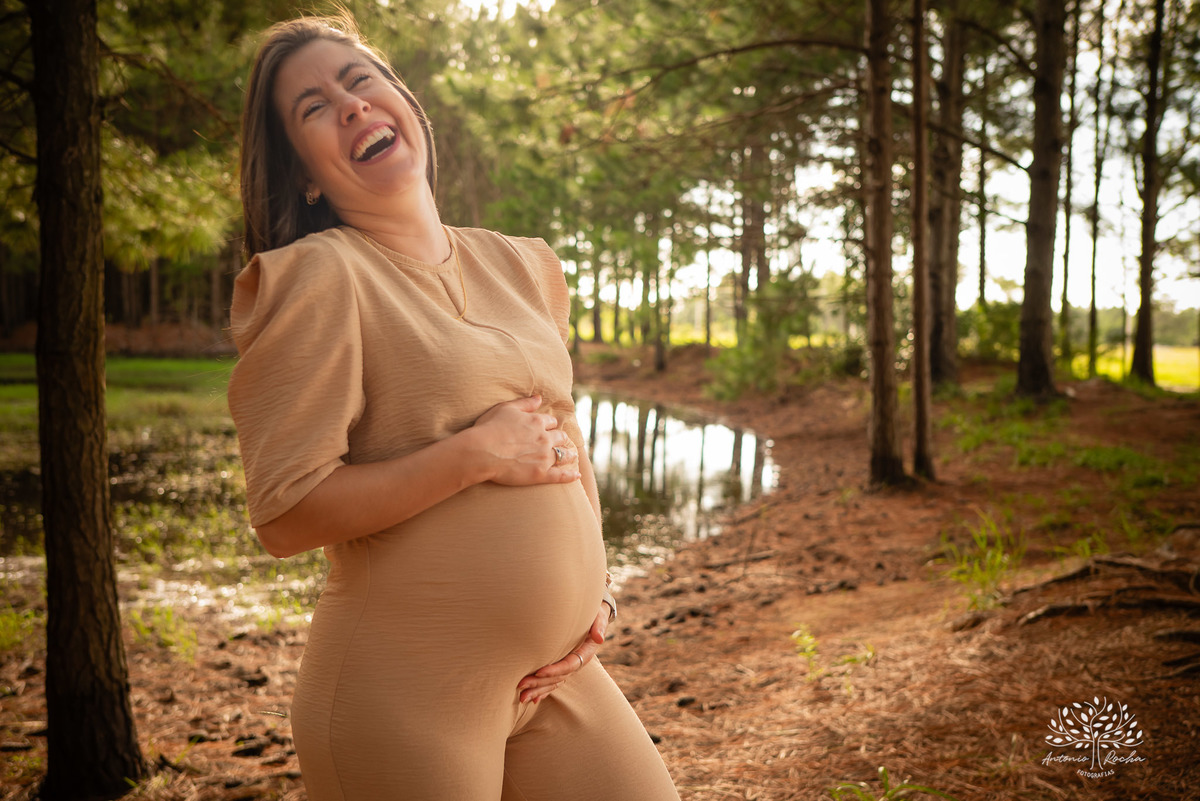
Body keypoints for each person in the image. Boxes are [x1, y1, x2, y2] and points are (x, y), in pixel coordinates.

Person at [227, 12, 679, 801]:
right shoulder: (320, 276)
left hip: (557, 679)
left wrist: (596, 591)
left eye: (361, 80)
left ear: (405, 103)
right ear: (305, 174)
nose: (352, 104)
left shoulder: (520, 264)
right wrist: (473, 456)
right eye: (314, 107)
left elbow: (563, 435)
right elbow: (285, 513)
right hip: (405, 694)